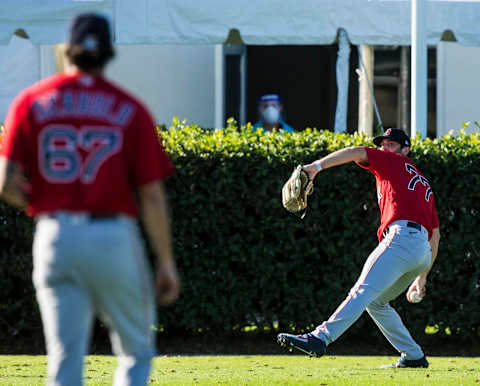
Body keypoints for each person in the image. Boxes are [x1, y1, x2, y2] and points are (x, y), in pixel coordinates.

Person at [0, 13, 180, 385]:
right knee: (134, 351)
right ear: (108, 54)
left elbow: (5, 183)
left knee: (65, 360)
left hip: (55, 234)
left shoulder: (31, 101)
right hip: (112, 234)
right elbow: (150, 193)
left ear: (67, 50)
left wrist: (41, 204)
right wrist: (165, 261)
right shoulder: (129, 107)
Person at [277, 128, 440, 368]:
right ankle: (413, 355)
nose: (385, 148)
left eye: (392, 144)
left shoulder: (393, 161)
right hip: (420, 251)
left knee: (361, 290)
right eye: (383, 144)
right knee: (376, 302)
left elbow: (356, 152)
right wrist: (422, 275)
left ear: (406, 150)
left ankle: (320, 338)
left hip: (402, 238)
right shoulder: (423, 183)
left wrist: (316, 167)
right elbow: (434, 234)